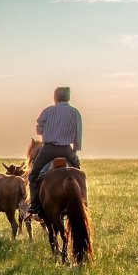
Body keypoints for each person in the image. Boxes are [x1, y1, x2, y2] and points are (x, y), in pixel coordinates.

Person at [27, 86, 82, 217]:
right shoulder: (75, 112)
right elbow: (78, 133)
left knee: (33, 176)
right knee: (78, 174)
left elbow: (39, 129)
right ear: (68, 97)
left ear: (55, 97)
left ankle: (34, 206)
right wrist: (74, 150)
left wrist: (47, 132)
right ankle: (82, 201)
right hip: (66, 150)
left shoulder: (47, 111)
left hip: (48, 150)